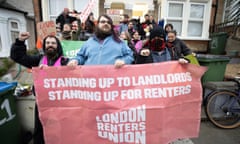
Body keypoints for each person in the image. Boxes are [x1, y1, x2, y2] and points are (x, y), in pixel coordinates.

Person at [10, 32, 69, 144]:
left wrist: (52, 72)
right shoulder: (38, 60)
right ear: (44, 46)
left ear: (58, 46)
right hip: (42, 104)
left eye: (53, 43)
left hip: (60, 104)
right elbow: (18, 57)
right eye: (47, 43)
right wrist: (20, 42)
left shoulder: (65, 61)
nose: (50, 45)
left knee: (60, 131)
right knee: (40, 131)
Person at [67, 14, 134, 67]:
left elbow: (130, 56)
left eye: (108, 22)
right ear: (98, 24)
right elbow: (81, 56)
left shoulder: (119, 42)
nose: (106, 24)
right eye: (103, 22)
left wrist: (124, 61)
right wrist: (76, 60)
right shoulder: (89, 42)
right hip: (91, 81)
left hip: (111, 80)